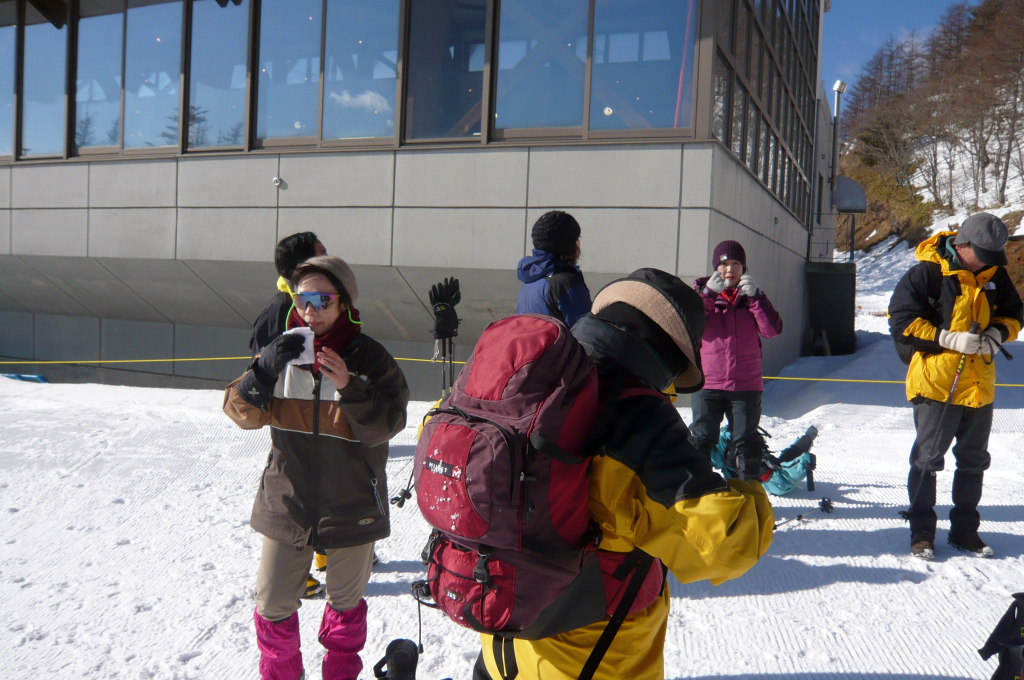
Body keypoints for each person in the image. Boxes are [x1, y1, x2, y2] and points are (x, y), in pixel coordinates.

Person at [475, 268, 774, 680]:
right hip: (590, 654)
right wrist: (750, 492)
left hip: (501, 631)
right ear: (670, 356)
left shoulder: (528, 377)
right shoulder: (640, 416)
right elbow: (724, 543)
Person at [224, 256, 409, 680]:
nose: (311, 310)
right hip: (288, 503)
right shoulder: (281, 351)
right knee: (272, 608)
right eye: (303, 299)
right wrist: (263, 370)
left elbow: (386, 426)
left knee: (345, 612)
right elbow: (239, 414)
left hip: (353, 504)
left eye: (323, 299)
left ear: (343, 303)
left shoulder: (371, 357)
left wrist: (349, 385)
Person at [888, 212, 1022, 560]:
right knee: (928, 460)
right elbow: (901, 320)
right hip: (936, 385)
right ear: (963, 246)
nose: (988, 264)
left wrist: (997, 333)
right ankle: (922, 531)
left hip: (979, 384)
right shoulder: (928, 272)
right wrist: (946, 338)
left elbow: (1015, 314)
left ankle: (965, 531)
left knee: (974, 461)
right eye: (983, 255)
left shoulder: (994, 275)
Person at [249, 230, 329, 597]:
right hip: (293, 422)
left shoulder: (311, 303)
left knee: (328, 484)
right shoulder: (284, 310)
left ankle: (327, 553)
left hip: (321, 416)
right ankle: (296, 576)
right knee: (296, 497)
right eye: (321, 256)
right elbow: (257, 368)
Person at [690, 240, 783, 480]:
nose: (729, 270)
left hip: (746, 385)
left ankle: (748, 501)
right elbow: (689, 325)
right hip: (708, 383)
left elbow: (772, 330)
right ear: (714, 268)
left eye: (736, 264)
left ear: (744, 268)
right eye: (724, 264)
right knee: (701, 442)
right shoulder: (700, 295)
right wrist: (708, 295)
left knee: (747, 448)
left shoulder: (753, 298)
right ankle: (698, 498)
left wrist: (757, 298)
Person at [249, 231, 326, 356]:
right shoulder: (282, 306)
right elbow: (262, 366)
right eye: (322, 253)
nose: (329, 259)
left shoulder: (329, 299)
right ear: (302, 265)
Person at [516, 210, 592, 327]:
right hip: (558, 345)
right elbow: (585, 332)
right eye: (577, 238)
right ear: (569, 244)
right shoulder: (566, 282)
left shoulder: (530, 279)